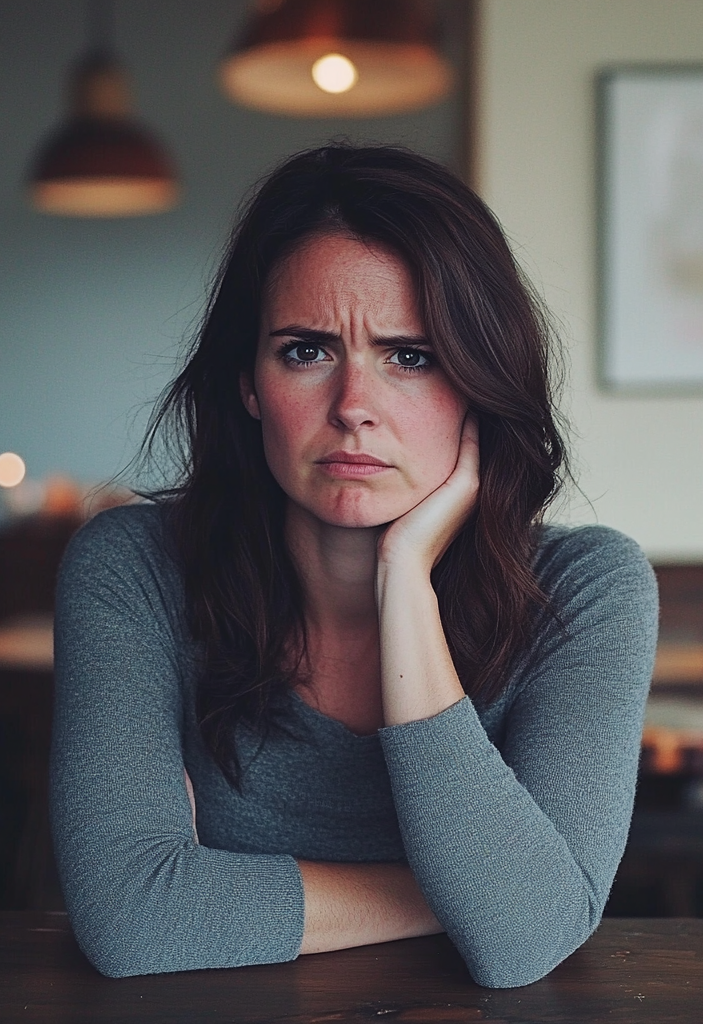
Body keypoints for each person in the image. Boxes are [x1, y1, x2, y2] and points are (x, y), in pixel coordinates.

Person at [50, 144, 658, 988]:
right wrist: (468, 896)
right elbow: (133, 919)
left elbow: (524, 945)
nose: (353, 409)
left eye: (410, 356)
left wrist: (405, 578)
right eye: (306, 350)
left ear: (479, 383)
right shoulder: (133, 568)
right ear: (249, 383)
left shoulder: (588, 591)